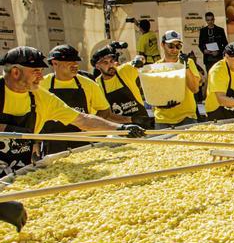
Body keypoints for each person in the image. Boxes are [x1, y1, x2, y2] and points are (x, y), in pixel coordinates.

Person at [0, 47, 144, 173]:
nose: (41, 77)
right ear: (15, 72)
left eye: (41, 71)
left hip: (18, 164)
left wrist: (121, 128)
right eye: (36, 71)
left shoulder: (41, 98)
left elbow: (82, 119)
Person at [40, 45, 129, 155]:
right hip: (52, 141)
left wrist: (91, 129)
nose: (75, 65)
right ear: (55, 63)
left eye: (76, 61)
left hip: (83, 141)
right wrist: (36, 142)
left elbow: (104, 110)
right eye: (70, 62)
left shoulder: (88, 84)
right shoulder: (41, 85)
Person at [91, 44, 151, 128]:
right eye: (105, 63)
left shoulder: (124, 71)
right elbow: (106, 115)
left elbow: (141, 58)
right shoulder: (97, 85)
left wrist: (139, 60)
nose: (110, 65)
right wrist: (132, 120)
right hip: (121, 128)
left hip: (144, 121)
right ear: (97, 66)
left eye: (111, 61)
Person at [151, 30, 202, 129]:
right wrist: (162, 105)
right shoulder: (156, 67)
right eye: (171, 46)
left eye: (178, 46)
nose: (175, 49)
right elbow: (153, 94)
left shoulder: (188, 62)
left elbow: (195, 89)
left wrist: (185, 66)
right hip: (163, 118)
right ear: (162, 45)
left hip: (187, 117)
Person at [198, 11, 227, 76]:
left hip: (218, 58)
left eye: (211, 20)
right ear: (206, 20)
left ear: (214, 19)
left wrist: (218, 51)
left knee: (220, 75)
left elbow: (225, 44)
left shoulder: (220, 30)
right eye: (208, 20)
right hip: (208, 59)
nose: (210, 22)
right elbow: (200, 44)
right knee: (210, 75)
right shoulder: (203, 31)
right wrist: (204, 50)